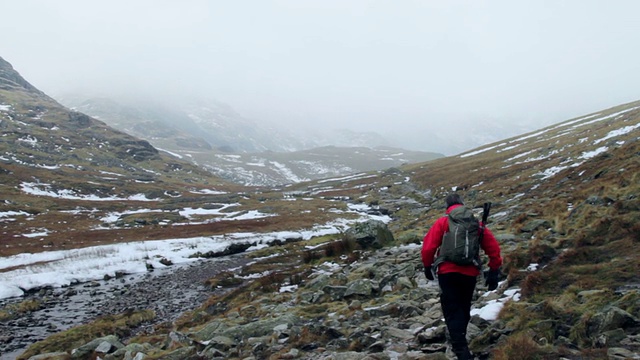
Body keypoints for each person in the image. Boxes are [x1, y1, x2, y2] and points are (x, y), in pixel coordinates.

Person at [421, 193, 502, 360]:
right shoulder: (475, 224)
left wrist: (427, 266)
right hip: (469, 272)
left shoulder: (443, 222)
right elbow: (493, 247)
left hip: (447, 272)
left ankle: (461, 350)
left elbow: (428, 247)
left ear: (447, 207)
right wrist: (494, 269)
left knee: (451, 309)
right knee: (464, 308)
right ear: (462, 204)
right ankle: (460, 341)